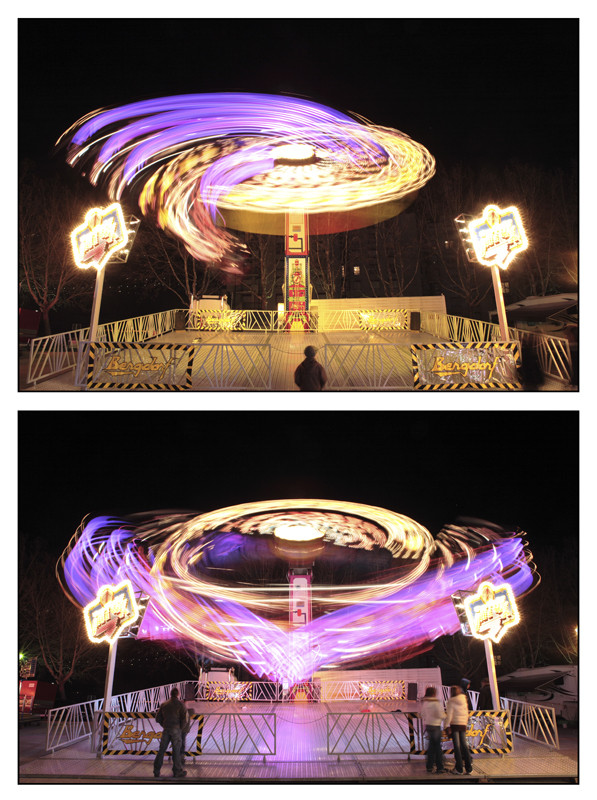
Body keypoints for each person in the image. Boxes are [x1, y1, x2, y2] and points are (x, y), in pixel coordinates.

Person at [153, 688, 188, 778]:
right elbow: (185, 719)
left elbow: (158, 718)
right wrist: (180, 728)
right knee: (176, 751)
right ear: (178, 694)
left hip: (166, 729)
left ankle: (156, 771)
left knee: (161, 750)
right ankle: (177, 771)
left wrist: (164, 724)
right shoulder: (181, 705)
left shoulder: (164, 704)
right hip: (176, 730)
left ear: (170, 694)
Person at [444, 685, 473, 775]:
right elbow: (466, 713)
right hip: (463, 725)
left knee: (457, 747)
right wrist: (464, 722)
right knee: (464, 745)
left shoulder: (451, 701)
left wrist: (446, 726)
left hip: (455, 725)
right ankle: (469, 768)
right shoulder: (464, 700)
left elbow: (449, 715)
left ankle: (459, 768)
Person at [421, 686, 446, 774]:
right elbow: (440, 714)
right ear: (434, 693)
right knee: (437, 747)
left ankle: (429, 766)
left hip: (428, 725)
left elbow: (422, 714)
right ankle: (440, 767)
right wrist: (445, 716)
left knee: (431, 747)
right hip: (436, 725)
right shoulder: (436, 703)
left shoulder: (425, 702)